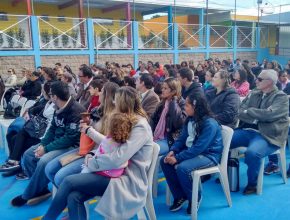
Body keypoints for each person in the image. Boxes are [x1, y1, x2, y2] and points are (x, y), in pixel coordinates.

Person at [42, 86, 154, 220]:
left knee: (68, 181)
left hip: (126, 178)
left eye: (116, 100)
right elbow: (110, 144)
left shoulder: (140, 126)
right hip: (113, 171)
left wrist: (92, 162)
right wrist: (93, 152)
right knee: (73, 196)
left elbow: (118, 158)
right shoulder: (126, 119)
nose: (114, 103)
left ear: (123, 103)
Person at [11, 81, 85, 207]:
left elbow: (69, 139)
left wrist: (46, 149)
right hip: (57, 142)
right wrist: (43, 144)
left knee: (44, 161)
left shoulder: (76, 110)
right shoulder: (58, 106)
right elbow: (52, 128)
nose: (49, 96)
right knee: (29, 154)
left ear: (55, 97)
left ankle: (28, 194)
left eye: (51, 94)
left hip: (72, 146)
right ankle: (41, 190)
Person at [45, 82, 119, 188]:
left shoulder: (115, 118)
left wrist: (89, 130)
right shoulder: (98, 110)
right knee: (49, 169)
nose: (100, 93)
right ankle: (63, 193)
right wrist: (88, 124)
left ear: (107, 96)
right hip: (85, 149)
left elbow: (109, 143)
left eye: (102, 91)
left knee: (59, 177)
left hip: (96, 155)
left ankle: (65, 195)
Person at [160, 93, 223, 214]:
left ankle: (195, 197)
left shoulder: (209, 124)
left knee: (183, 168)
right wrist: (173, 151)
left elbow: (199, 148)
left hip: (208, 155)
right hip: (193, 151)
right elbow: (181, 139)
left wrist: (178, 158)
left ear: (196, 107)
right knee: (164, 161)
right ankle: (180, 196)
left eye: (187, 105)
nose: (184, 107)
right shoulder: (190, 119)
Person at [230, 69, 289, 195]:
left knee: (253, 153)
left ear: (270, 82)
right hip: (248, 131)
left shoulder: (281, 98)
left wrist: (250, 112)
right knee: (222, 140)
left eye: (260, 79)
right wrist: (258, 117)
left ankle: (252, 184)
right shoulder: (255, 93)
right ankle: (225, 173)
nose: (256, 80)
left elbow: (269, 115)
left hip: (268, 135)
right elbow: (240, 110)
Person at [0, 82, 54, 178]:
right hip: (38, 131)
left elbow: (38, 112)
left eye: (43, 91)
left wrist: (31, 111)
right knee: (13, 137)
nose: (41, 93)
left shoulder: (52, 105)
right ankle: (16, 164)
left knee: (21, 136)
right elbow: (35, 109)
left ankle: (16, 163)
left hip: (42, 135)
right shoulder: (47, 102)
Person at [81, 112, 134, 177]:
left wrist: (89, 161)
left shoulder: (108, 142)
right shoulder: (123, 142)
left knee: (84, 171)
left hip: (105, 172)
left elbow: (98, 157)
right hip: (117, 172)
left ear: (111, 128)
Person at [151, 77, 187, 155]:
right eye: (162, 88)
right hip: (157, 137)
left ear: (173, 91)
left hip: (171, 140)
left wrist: (173, 102)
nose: (162, 90)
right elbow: (153, 120)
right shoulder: (162, 103)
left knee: (149, 151)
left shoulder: (182, 103)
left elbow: (179, 123)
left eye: (165, 88)